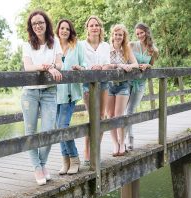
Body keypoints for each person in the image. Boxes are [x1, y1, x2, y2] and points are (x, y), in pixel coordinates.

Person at [21, 10, 62, 185]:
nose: (38, 25)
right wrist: (46, 67)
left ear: (46, 24)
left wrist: (53, 65)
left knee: (48, 131)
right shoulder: (27, 45)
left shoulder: (55, 43)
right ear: (31, 26)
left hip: (49, 91)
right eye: (34, 23)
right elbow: (28, 67)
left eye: (41, 22)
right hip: (30, 92)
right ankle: (37, 167)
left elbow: (60, 63)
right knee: (30, 132)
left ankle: (43, 164)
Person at [55, 19, 86, 175]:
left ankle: (74, 159)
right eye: (62, 28)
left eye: (67, 28)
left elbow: (85, 64)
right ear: (58, 30)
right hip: (54, 94)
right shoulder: (52, 45)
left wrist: (80, 68)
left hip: (70, 93)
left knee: (63, 126)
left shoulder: (77, 45)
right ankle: (65, 162)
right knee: (57, 128)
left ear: (70, 30)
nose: (64, 31)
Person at [81, 16, 111, 165]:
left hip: (103, 83)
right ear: (87, 28)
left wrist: (102, 67)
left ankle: (96, 149)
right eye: (91, 25)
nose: (94, 27)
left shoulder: (105, 45)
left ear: (100, 28)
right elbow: (80, 64)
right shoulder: (81, 45)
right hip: (88, 84)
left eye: (97, 25)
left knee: (102, 117)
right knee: (92, 118)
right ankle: (87, 152)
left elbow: (108, 64)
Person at [125, 23, 159, 151]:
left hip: (140, 83)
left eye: (141, 33)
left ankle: (130, 140)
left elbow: (152, 65)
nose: (139, 35)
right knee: (124, 111)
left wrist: (147, 66)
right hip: (128, 81)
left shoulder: (153, 50)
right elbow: (124, 59)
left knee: (130, 111)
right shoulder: (132, 45)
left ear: (146, 32)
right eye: (137, 33)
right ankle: (126, 140)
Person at [106, 24, 138, 156]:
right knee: (110, 116)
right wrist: (120, 65)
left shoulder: (126, 49)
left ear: (124, 36)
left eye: (120, 34)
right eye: (116, 34)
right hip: (108, 86)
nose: (118, 37)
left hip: (123, 85)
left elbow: (135, 64)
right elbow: (105, 65)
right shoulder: (106, 49)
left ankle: (121, 142)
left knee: (119, 115)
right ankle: (114, 143)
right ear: (112, 35)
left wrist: (130, 66)